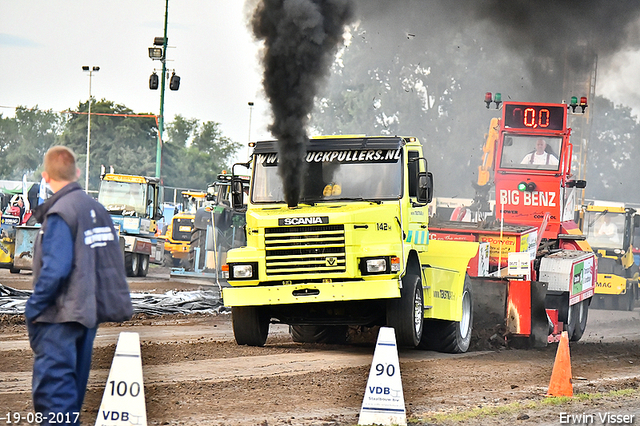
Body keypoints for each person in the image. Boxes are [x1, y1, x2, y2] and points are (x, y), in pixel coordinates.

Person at [24, 146, 132, 425]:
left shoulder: (60, 213)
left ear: (45, 177)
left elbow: (56, 269)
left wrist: (33, 308)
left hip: (58, 318)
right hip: (86, 316)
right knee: (71, 401)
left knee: (56, 404)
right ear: (78, 173)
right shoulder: (96, 210)